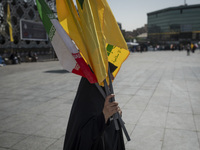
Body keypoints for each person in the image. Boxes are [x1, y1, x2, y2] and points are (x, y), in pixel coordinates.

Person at [63, 63, 125, 150]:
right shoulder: (86, 102)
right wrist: (104, 117)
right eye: (109, 74)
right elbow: (83, 140)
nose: (113, 77)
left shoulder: (102, 95)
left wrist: (116, 116)